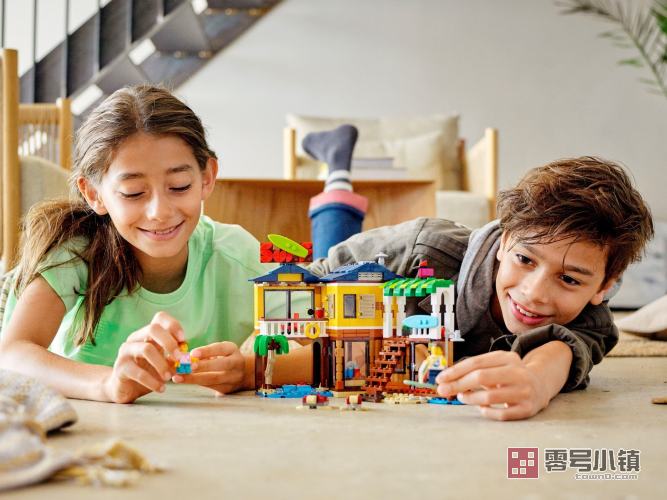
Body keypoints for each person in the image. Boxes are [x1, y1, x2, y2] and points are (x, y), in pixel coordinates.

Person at [302, 151, 654, 421]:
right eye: (525, 259)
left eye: (569, 279)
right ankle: (337, 173)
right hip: (357, 265)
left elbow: (562, 353)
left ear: (603, 288)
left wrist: (536, 381)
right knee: (334, 231)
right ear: (504, 240)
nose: (534, 293)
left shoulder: (592, 317)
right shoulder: (421, 248)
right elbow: (313, 277)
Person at [0, 85, 265, 403]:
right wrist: (108, 384)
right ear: (94, 194)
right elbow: (12, 354)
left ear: (207, 177)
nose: (160, 212)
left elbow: (317, 347)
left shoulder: (237, 255)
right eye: (134, 193)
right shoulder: (73, 254)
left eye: (179, 186)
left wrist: (249, 370)